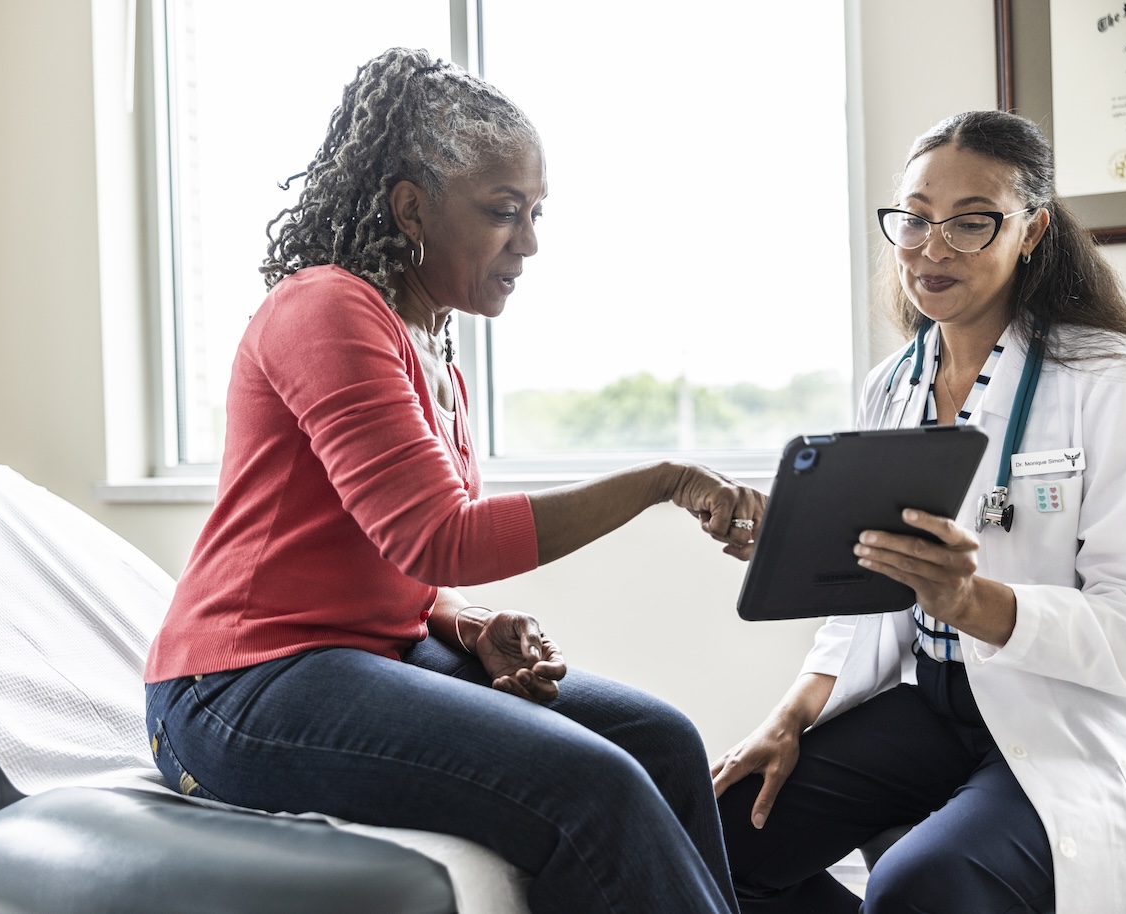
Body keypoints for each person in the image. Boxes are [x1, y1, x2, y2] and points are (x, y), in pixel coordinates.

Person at [144, 47, 763, 914]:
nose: (532, 243)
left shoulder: (432, 340)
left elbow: (391, 552)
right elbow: (441, 536)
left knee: (660, 740)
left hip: (368, 651)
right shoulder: (325, 307)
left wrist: (462, 621)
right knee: (593, 785)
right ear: (411, 207)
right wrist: (662, 480)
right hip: (237, 690)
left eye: (537, 212)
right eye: (505, 213)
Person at [712, 108, 1126, 914]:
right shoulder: (893, 384)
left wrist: (975, 603)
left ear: (1033, 231)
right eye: (914, 219)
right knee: (710, 837)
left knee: (919, 885)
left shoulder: (1115, 382)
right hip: (932, 701)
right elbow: (862, 602)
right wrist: (790, 713)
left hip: (1062, 713)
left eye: (972, 222)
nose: (932, 247)